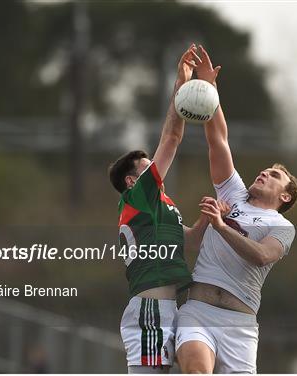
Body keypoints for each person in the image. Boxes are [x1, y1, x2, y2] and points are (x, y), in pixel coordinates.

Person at [175, 45, 297, 374]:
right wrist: (209, 89)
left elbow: (261, 255)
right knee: (196, 371)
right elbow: (219, 139)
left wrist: (221, 226)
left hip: (239, 325)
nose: (264, 173)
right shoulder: (234, 193)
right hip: (197, 311)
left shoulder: (282, 227)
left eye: (274, 176)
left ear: (285, 197)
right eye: (265, 170)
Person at [108, 44, 212, 374]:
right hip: (150, 310)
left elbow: (192, 241)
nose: (154, 167)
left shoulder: (161, 209)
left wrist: (211, 220)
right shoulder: (138, 197)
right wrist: (180, 85)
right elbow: (171, 138)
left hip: (167, 308)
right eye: (146, 165)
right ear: (130, 180)